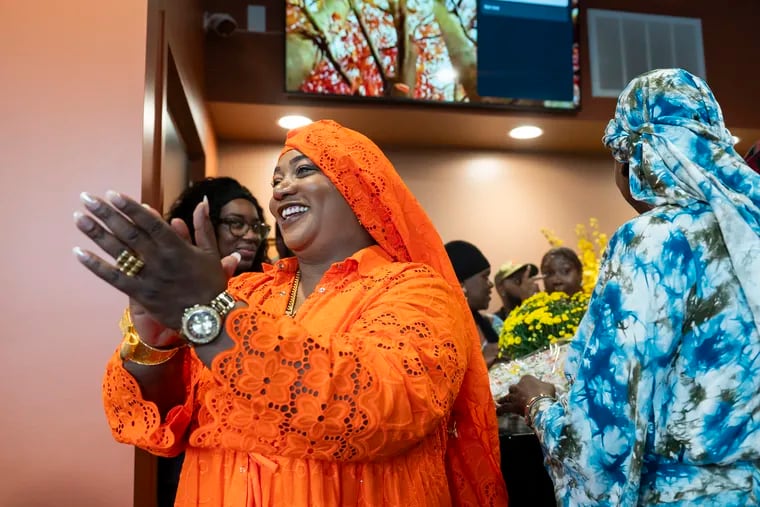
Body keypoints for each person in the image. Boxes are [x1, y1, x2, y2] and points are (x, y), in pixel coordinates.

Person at [73, 119, 508, 506]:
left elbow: (380, 407)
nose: (280, 190)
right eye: (276, 179)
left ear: (358, 188)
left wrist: (211, 317)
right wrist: (152, 342)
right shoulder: (243, 292)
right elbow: (162, 422)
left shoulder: (416, 291)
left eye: (304, 170)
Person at [500, 68, 760, 505]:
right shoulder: (749, 227)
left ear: (633, 159)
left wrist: (538, 405)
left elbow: (604, 437)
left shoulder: (654, 240)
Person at [157, 177, 270, 507]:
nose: (249, 235)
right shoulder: (171, 291)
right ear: (201, 223)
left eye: (256, 226)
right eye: (236, 224)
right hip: (194, 453)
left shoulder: (276, 285)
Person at [166, 176, 271, 274]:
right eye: (236, 223)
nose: (252, 236)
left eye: (256, 227)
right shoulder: (176, 284)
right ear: (209, 226)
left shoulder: (270, 287)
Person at [444, 240, 500, 367]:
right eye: (485, 277)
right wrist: (481, 366)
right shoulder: (445, 338)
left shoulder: (494, 324)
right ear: (461, 284)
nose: (491, 284)